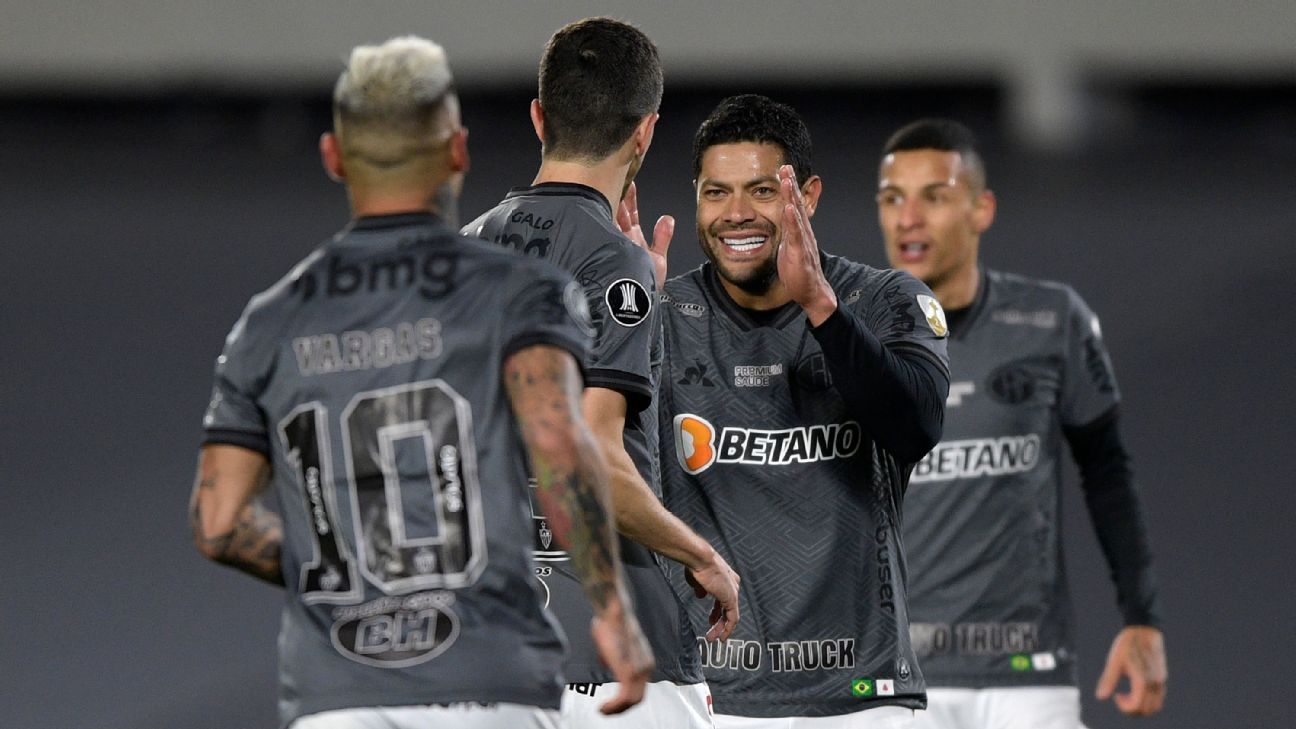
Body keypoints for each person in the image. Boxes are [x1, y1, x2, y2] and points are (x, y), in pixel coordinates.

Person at [188, 35, 652, 729]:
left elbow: (219, 522)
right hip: (485, 674)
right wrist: (612, 609)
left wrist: (351, 577)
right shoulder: (523, 292)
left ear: (333, 157)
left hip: (338, 691)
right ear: (457, 152)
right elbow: (560, 445)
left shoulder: (272, 321)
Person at [463, 17, 740, 729]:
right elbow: (591, 458)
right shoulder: (610, 259)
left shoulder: (459, 256)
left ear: (539, 118)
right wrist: (701, 555)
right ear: (644, 133)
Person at [653, 93, 950, 728]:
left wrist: (821, 307)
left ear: (807, 197)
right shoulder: (664, 317)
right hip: (710, 701)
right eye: (716, 193)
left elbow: (917, 427)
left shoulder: (882, 299)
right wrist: (621, 333)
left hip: (865, 698)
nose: (736, 214)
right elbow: (595, 467)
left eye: (762, 191)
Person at [874, 118, 1167, 729]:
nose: (909, 219)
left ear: (981, 209)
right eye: (893, 198)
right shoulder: (848, 336)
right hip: (892, 679)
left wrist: (1141, 617)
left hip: (1029, 676)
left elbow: (1108, 473)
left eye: (934, 197)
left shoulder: (1052, 321)